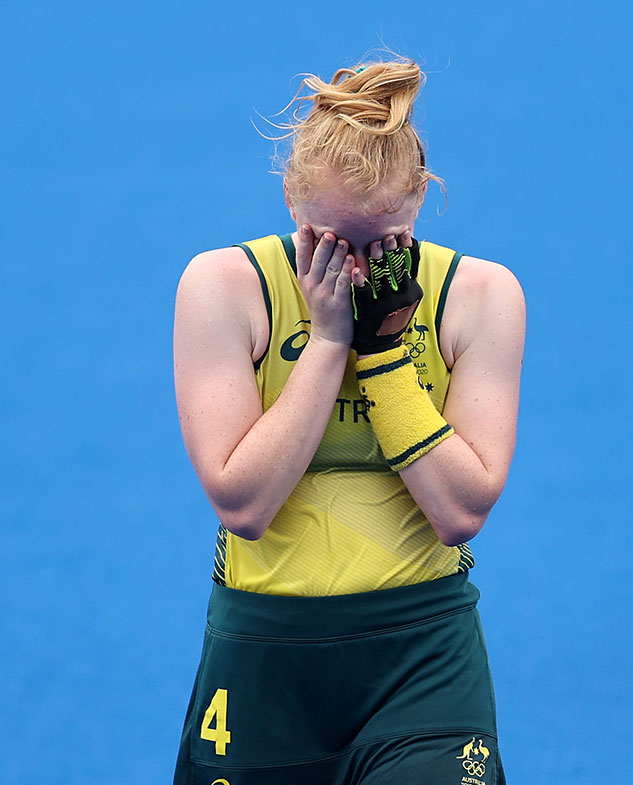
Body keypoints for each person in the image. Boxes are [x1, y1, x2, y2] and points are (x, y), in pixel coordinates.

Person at [171, 57, 523, 782]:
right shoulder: (223, 289)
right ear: (292, 201)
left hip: (422, 660)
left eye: (385, 244)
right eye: (333, 245)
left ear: (420, 197)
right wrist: (331, 342)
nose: (360, 271)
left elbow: (460, 511)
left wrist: (386, 349)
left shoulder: (480, 297)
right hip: (266, 663)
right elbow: (244, 502)